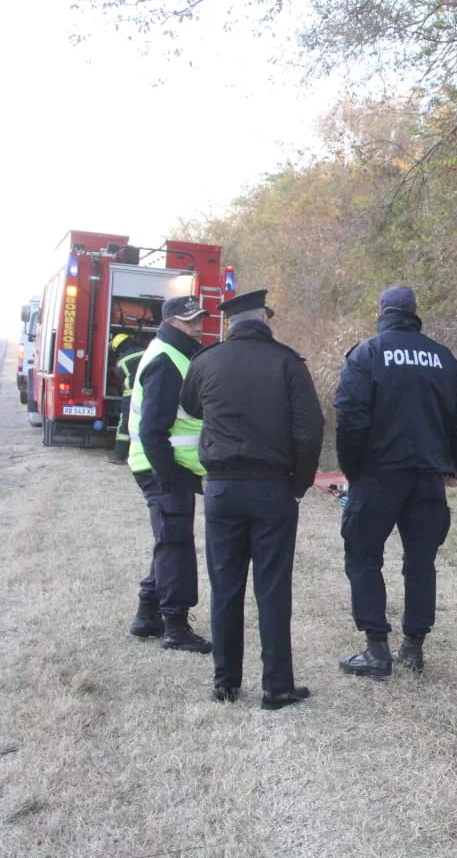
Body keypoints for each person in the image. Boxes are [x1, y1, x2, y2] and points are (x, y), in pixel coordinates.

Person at [181, 289, 324, 709]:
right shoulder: (287, 364)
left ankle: (225, 682)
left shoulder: (205, 361)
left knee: (225, 587)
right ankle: (277, 686)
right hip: (272, 488)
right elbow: (310, 430)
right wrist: (299, 483)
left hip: (222, 488)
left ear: (230, 323)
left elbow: (190, 405)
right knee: (272, 588)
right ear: (265, 319)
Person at [333, 285, 457, 678]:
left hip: (378, 475)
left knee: (362, 555)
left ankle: (376, 650)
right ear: (415, 312)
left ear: (381, 312)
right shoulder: (443, 358)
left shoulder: (367, 354)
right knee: (421, 562)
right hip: (428, 476)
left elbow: (350, 418)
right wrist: (454, 467)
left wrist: (352, 468)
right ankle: (413, 648)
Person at [126, 295, 213, 653]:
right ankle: (175, 626)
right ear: (172, 322)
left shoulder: (176, 352)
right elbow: (152, 431)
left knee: (169, 538)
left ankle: (148, 615)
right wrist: (171, 477)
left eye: (200, 318)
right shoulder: (165, 360)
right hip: (164, 468)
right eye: (190, 320)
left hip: (170, 466)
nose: (198, 325)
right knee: (176, 543)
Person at [108, 333, 147, 465]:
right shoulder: (147, 352)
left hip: (131, 396)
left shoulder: (121, 362)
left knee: (125, 425)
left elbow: (119, 378)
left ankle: (119, 456)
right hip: (150, 393)